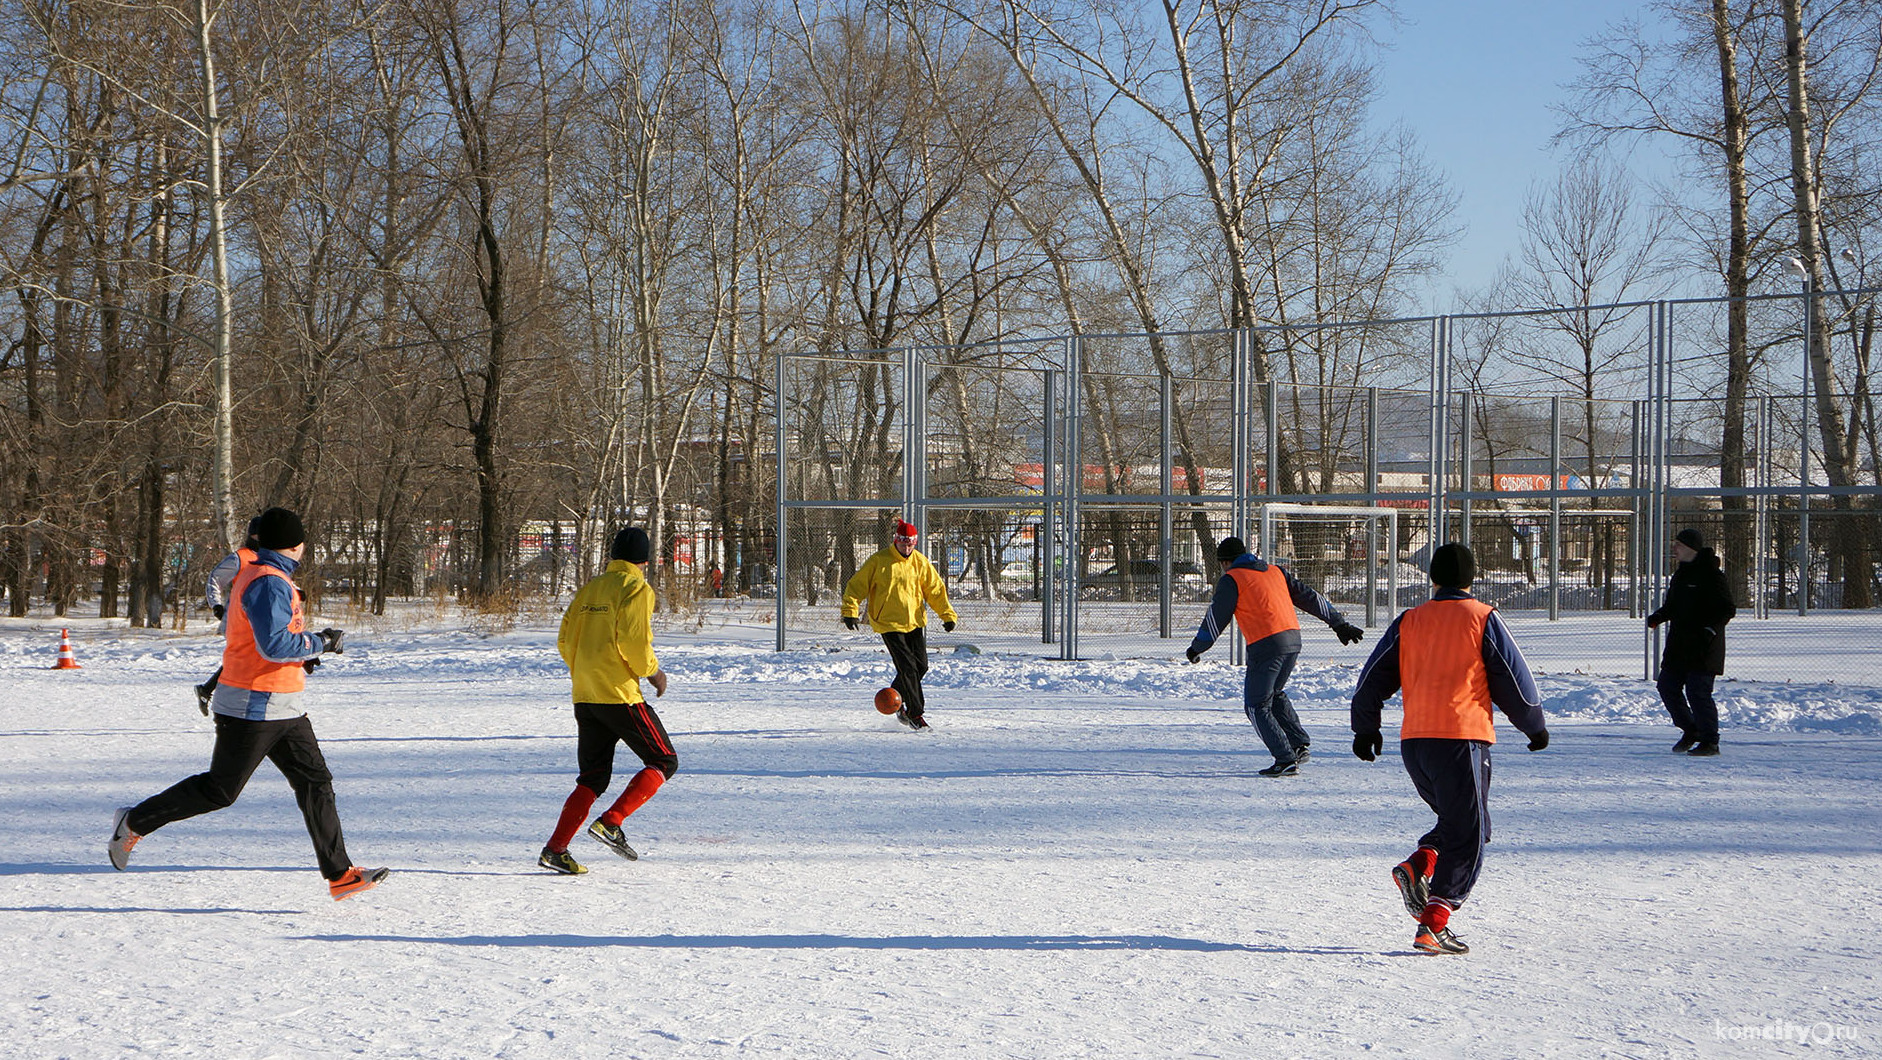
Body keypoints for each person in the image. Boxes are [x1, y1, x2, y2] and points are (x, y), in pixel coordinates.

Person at [109, 507, 382, 901]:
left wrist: (300, 654)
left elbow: (269, 639)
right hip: (253, 706)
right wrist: (320, 642)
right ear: (296, 544)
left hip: (285, 705)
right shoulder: (269, 581)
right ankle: (134, 820)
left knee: (315, 782)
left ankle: (340, 875)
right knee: (220, 791)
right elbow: (273, 645)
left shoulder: (265, 575)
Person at [1350, 542, 1548, 955]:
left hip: (1416, 745)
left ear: (1433, 578)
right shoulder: (1481, 617)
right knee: (1470, 834)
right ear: (1471, 578)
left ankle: (1418, 865)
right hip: (1461, 739)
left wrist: (1365, 729)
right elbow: (1514, 680)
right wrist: (1534, 725)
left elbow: (1372, 677)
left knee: (1468, 824)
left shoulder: (1411, 620)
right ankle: (1434, 922)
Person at [539, 527, 674, 875]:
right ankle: (611, 823)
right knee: (663, 760)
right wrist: (653, 673)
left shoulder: (590, 589)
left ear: (613, 556)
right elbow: (633, 641)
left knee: (593, 778)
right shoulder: (636, 589)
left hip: (585, 694)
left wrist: (585, 670)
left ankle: (556, 849)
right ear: (645, 560)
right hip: (619, 694)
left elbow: (565, 639)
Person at [1185, 536, 1365, 776]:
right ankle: (1298, 744)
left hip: (1266, 644)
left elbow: (1216, 617)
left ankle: (1285, 758)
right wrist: (1338, 624)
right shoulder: (1274, 571)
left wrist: (1198, 648)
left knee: (1256, 705)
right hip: (1292, 640)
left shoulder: (1232, 578)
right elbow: (1309, 596)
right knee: (1274, 693)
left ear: (1225, 562)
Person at [841, 519, 958, 730]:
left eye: (911, 544)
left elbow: (935, 590)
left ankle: (894, 698)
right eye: (904, 543)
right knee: (909, 669)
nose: (907, 548)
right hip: (888, 624)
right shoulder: (879, 561)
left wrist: (947, 615)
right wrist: (850, 611)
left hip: (914, 622)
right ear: (896, 540)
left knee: (921, 666)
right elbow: (856, 586)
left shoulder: (920, 562)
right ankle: (915, 714)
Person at [1647, 528, 1736, 757]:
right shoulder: (1681, 574)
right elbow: (1674, 606)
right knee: (1667, 687)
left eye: (1678, 544)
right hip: (1679, 645)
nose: (1674, 549)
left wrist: (1709, 630)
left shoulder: (1712, 574)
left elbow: (1727, 609)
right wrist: (1658, 617)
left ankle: (1710, 741)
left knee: (1698, 692)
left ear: (1690, 548)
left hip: (1705, 647)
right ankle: (1691, 729)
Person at [194, 516, 262, 715]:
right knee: (247, 657)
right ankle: (233, 699)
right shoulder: (240, 557)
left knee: (246, 658)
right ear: (254, 534)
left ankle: (207, 689)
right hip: (238, 619)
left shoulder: (268, 558)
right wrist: (216, 605)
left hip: (256, 618)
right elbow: (214, 578)